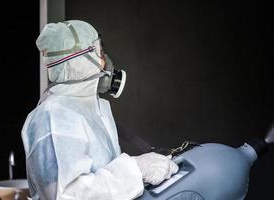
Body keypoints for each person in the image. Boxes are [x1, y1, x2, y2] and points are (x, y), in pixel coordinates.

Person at [21, 20, 178, 200]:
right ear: (81, 61)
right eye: (101, 53)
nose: (106, 61)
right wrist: (136, 169)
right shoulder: (53, 116)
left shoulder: (95, 107)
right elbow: (66, 195)